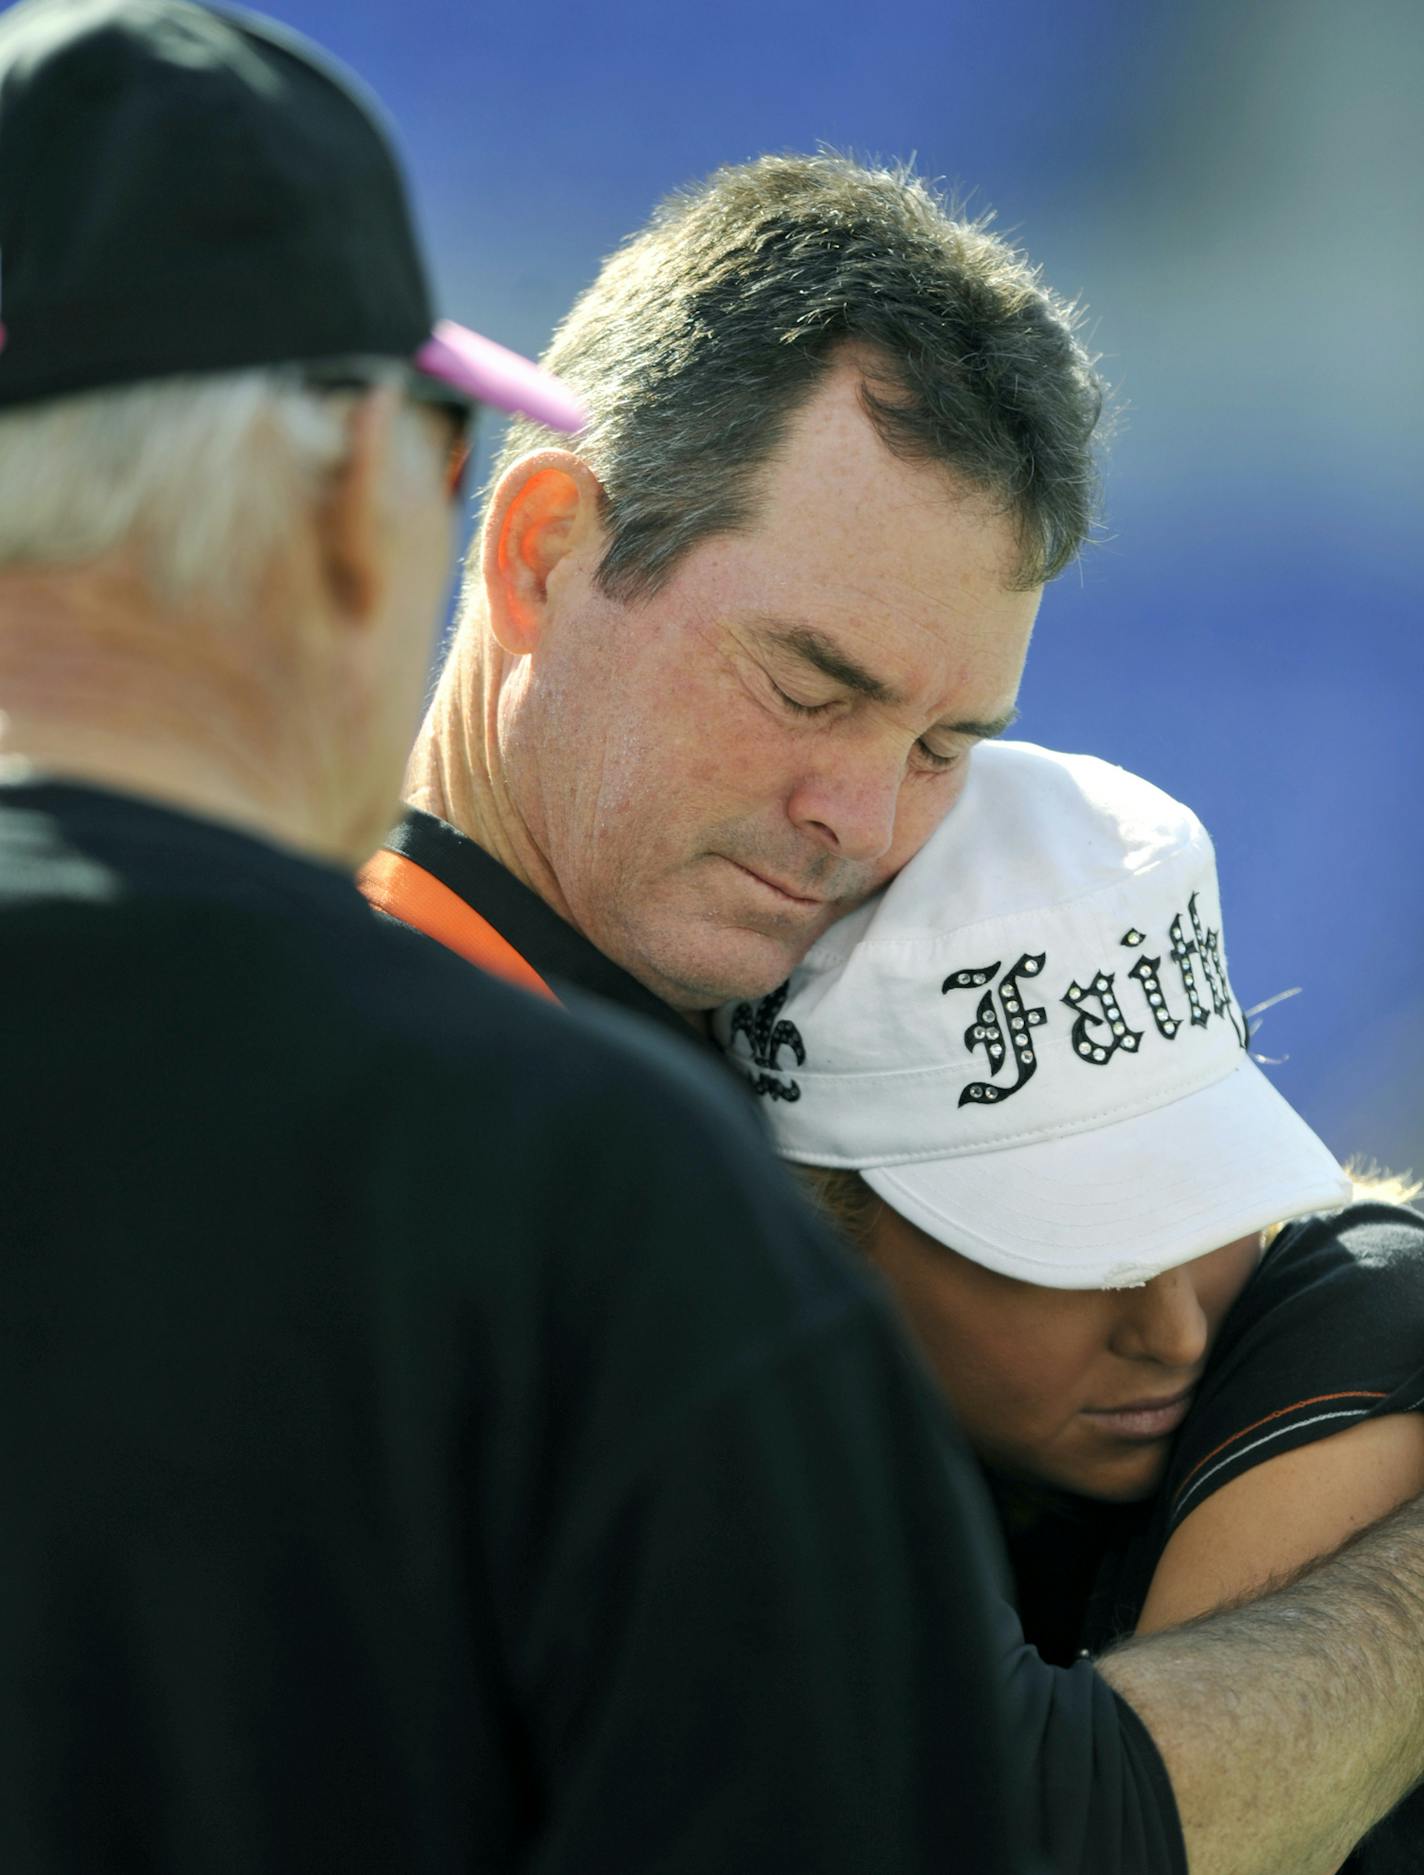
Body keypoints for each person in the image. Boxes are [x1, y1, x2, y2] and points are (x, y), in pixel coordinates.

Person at [0, 6, 1056, 1872]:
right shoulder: (592, 1206)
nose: (865, 820)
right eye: (805, 683)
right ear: (386, 511)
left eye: (942, 744)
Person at [717, 737, 1424, 1870]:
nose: (1172, 1331)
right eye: (1066, 1250)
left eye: (1205, 1204)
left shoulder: (1361, 1321)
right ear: (823, 1230)